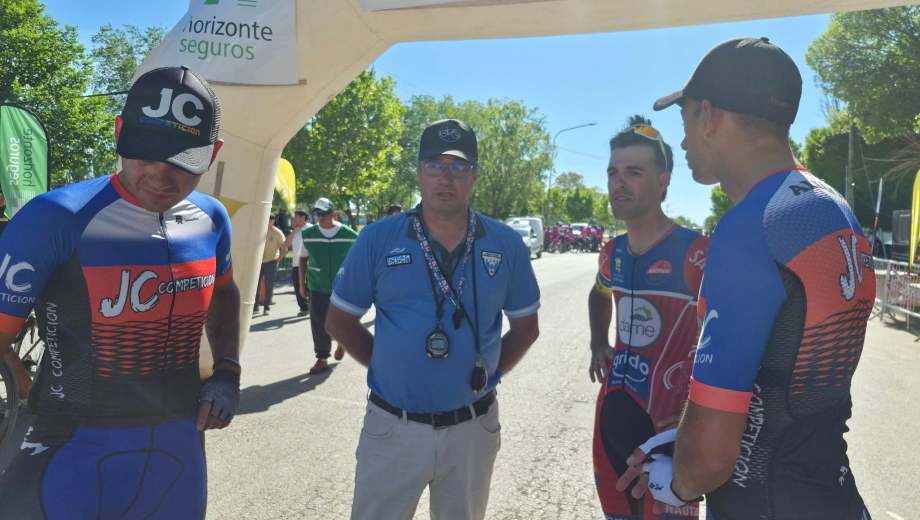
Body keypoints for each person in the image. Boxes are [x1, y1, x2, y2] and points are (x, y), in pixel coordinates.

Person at [617, 37, 876, 519]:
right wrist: (690, 435)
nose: (686, 142)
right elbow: (788, 390)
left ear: (710, 115)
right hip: (834, 495)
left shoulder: (751, 228)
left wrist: (676, 480)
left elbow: (711, 460)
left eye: (686, 121)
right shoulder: (833, 207)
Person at [0, 66, 241, 519]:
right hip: (71, 444)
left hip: (178, 446)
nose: (160, 175)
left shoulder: (212, 218)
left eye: (182, 162)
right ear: (118, 132)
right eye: (145, 154)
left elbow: (226, 292)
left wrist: (227, 369)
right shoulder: (54, 218)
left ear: (213, 155)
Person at [326, 118, 541, 520]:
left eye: (458, 167)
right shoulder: (378, 238)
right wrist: (389, 368)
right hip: (392, 428)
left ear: (474, 175)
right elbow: (339, 321)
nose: (446, 177)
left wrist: (488, 376)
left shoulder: (506, 244)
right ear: (419, 172)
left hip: (473, 430)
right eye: (435, 165)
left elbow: (526, 329)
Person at [589, 118, 708, 520]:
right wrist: (596, 342)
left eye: (633, 173)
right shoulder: (613, 252)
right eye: (612, 173)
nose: (618, 183)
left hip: (669, 424)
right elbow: (599, 292)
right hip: (611, 416)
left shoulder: (697, 253)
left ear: (663, 181)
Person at [298, 197, 356, 374]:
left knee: (341, 321)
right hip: (317, 286)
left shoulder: (350, 235)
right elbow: (302, 259)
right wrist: (302, 284)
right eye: (317, 213)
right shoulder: (309, 235)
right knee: (318, 322)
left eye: (324, 213)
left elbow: (358, 261)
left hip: (343, 287)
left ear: (333, 214)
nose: (320, 217)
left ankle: (342, 343)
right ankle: (322, 358)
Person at [254, 214, 287, 316]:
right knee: (255, 285)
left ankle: (266, 307)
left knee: (269, 285)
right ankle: (255, 307)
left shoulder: (277, 233)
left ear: (273, 221)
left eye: (271, 219)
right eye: (267, 219)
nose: (268, 221)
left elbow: (284, 248)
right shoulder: (258, 230)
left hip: (271, 261)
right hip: (258, 262)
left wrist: (279, 258)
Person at [286, 209, 311, 316]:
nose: (294, 219)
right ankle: (304, 308)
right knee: (297, 287)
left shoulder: (311, 229)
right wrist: (293, 233)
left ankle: (312, 307)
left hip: (309, 264)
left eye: (296, 217)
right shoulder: (295, 230)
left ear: (303, 217)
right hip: (296, 264)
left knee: (309, 287)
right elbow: (286, 244)